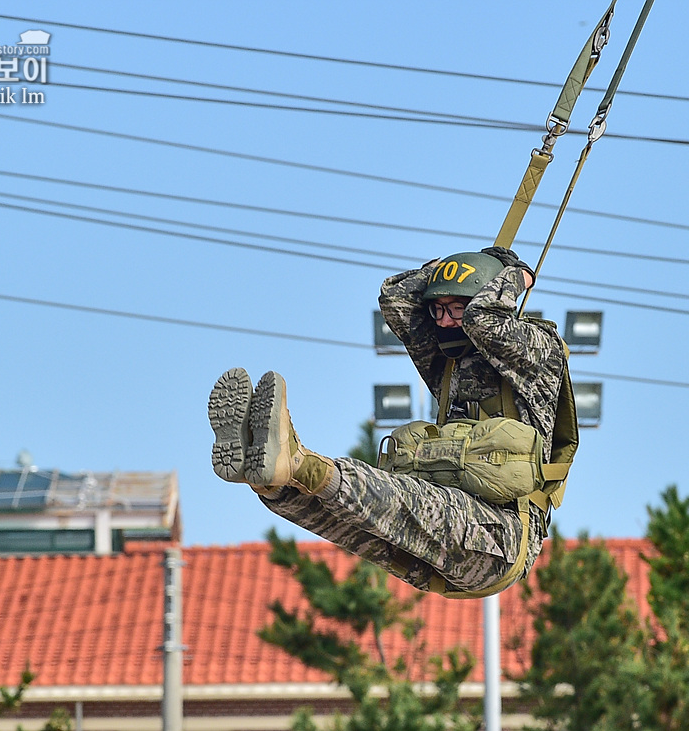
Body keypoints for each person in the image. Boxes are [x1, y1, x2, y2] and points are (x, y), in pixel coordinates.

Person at [207, 246, 570, 597]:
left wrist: (513, 277)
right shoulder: (451, 366)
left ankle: (299, 461)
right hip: (437, 548)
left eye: (456, 309)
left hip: (500, 537)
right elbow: (395, 297)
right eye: (438, 310)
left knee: (395, 496)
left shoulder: (537, 354)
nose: (444, 322)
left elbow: (484, 320)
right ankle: (273, 481)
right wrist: (451, 274)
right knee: (344, 518)